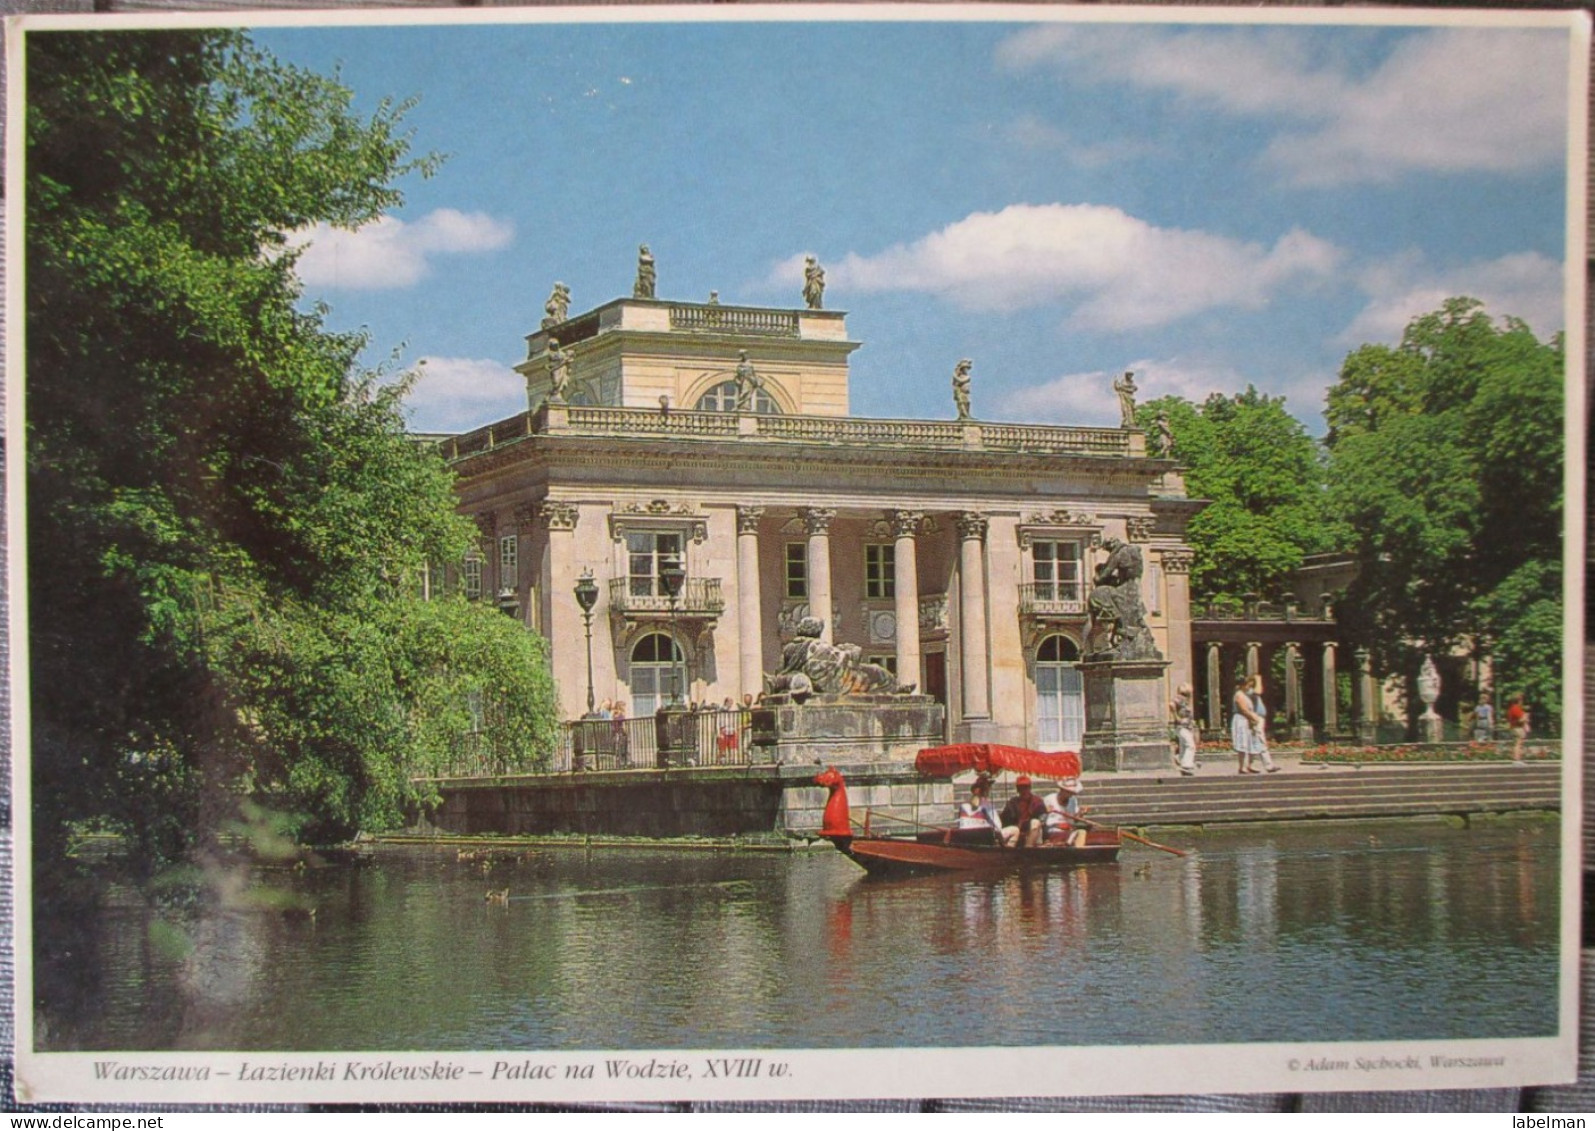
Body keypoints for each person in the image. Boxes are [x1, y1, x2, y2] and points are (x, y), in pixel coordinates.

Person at [1000, 775, 1048, 848]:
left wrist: (1046, 839)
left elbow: (1043, 820)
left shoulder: (1037, 802)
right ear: (1017, 789)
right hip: (1017, 831)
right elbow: (1005, 821)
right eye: (1020, 788)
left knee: (1035, 822)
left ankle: (1028, 849)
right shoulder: (1012, 803)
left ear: (1030, 788)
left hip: (1035, 833)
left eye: (1026, 787)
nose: (1023, 790)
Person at [955, 774, 1003, 845]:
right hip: (984, 839)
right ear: (986, 790)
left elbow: (960, 825)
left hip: (966, 838)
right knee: (1015, 830)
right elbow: (998, 827)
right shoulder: (987, 805)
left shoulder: (963, 806)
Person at [1231, 675, 1265, 775]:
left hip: (1248, 720)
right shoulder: (1239, 695)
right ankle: (1242, 766)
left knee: (1252, 742)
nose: (1248, 687)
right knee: (1242, 742)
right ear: (1242, 685)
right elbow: (1244, 710)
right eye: (1246, 685)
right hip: (1241, 720)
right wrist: (1253, 717)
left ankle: (1250, 765)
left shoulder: (1245, 694)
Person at [1044, 777, 1086, 846]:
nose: (1070, 795)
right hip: (1054, 831)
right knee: (1080, 833)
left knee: (1082, 833)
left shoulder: (1073, 800)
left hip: (1070, 831)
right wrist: (1046, 811)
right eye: (1068, 792)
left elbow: (1074, 819)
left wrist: (1080, 813)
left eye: (1072, 793)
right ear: (1061, 790)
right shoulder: (1049, 799)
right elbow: (1043, 818)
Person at [1249, 676, 1278, 773]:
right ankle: (1268, 765)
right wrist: (1258, 679)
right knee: (1260, 740)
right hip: (1256, 719)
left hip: (1258, 718)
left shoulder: (1251, 693)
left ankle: (1250, 764)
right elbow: (1259, 691)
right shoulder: (1250, 692)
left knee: (1256, 741)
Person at [1172, 683, 1198, 775]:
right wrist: (1176, 717)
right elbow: (1171, 705)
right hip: (1182, 726)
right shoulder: (1180, 698)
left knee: (1184, 745)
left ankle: (1183, 763)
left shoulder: (1186, 700)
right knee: (1190, 745)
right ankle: (1187, 765)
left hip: (1186, 726)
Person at [1507, 693, 1530, 764]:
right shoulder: (1516, 708)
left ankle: (1517, 759)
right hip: (1517, 728)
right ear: (1519, 700)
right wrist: (1526, 717)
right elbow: (1520, 720)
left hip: (1514, 728)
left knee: (1517, 744)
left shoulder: (1512, 708)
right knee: (1518, 744)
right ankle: (1517, 760)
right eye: (1521, 700)